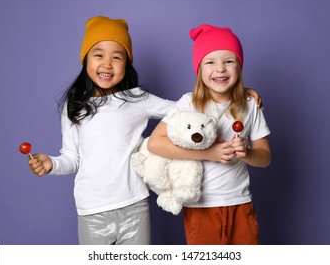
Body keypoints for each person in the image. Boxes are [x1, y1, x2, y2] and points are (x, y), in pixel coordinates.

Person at [27, 16, 175, 245]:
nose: (107, 64)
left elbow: (184, 111)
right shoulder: (74, 106)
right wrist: (52, 164)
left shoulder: (137, 99)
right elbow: (72, 158)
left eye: (117, 57)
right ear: (86, 59)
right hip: (91, 212)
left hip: (134, 207)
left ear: (126, 64)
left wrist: (235, 95)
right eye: (99, 55)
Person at [147, 24, 271, 245]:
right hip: (201, 207)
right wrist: (208, 153)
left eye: (229, 61)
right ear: (199, 69)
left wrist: (247, 153)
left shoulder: (250, 104)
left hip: (240, 203)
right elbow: (155, 144)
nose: (220, 69)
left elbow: (265, 157)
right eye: (210, 62)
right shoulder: (189, 103)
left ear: (239, 67)